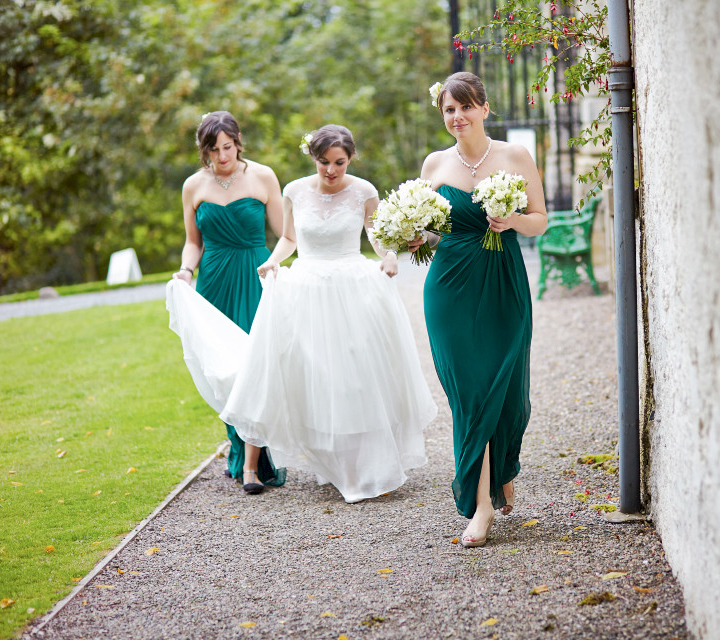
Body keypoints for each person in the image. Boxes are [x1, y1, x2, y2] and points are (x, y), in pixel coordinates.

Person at [170, 124, 437, 504]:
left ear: (350, 159)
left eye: (339, 163)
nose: (331, 170)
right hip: (309, 287)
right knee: (317, 376)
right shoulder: (294, 190)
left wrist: (391, 255)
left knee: (356, 373)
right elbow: (290, 238)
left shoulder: (364, 191)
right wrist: (273, 262)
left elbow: (375, 234)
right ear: (313, 158)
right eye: (324, 162)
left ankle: (364, 463)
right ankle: (330, 459)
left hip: (352, 285)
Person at [417, 72, 548, 547]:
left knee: (506, 388)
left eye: (465, 107)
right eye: (449, 110)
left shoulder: (513, 156)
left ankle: (503, 468)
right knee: (470, 392)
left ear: (485, 108)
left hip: (502, 281)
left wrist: (511, 219)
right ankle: (482, 506)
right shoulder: (434, 164)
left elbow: (540, 220)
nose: (457, 117)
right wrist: (415, 237)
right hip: (449, 288)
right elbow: (430, 231)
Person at [170, 110, 287, 495]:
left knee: (254, 366)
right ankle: (240, 452)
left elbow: (285, 233)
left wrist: (275, 264)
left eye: (227, 147)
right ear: (203, 151)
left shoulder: (263, 176)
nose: (222, 157)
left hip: (254, 276)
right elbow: (193, 241)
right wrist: (187, 271)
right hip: (214, 281)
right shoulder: (193, 186)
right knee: (224, 369)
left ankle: (253, 462)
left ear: (238, 141)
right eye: (213, 150)